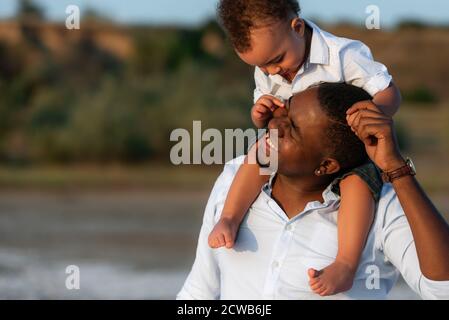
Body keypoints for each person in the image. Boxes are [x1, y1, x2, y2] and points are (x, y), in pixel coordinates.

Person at [177, 83, 449, 300]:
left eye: (292, 130)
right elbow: (201, 291)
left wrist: (396, 168)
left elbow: (443, 290)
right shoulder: (234, 178)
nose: (274, 125)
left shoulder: (382, 205)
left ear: (326, 165)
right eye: (286, 110)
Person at [208, 0, 402, 295]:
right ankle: (230, 218)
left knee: (357, 183)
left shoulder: (344, 54)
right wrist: (260, 114)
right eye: (262, 66)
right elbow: (275, 119)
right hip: (300, 154)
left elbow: (389, 92)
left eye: (278, 59)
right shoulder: (269, 68)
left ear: (297, 27)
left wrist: (373, 116)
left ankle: (345, 264)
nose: (273, 71)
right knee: (261, 152)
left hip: (350, 152)